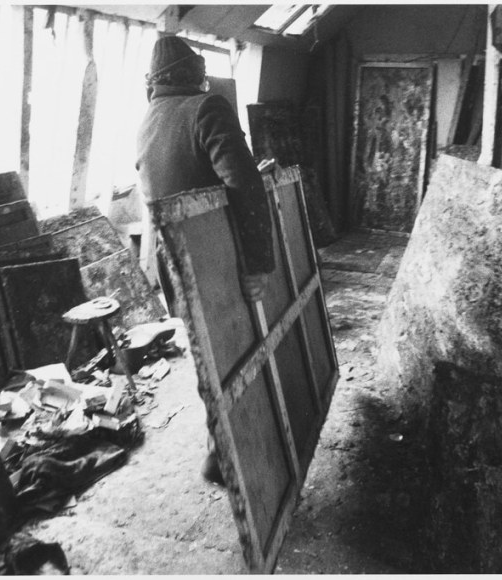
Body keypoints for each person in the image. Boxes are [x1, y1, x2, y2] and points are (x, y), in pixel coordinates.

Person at [136, 35, 275, 484]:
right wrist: (259, 264)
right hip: (215, 260)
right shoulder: (207, 108)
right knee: (235, 357)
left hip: (174, 265)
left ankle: (221, 450)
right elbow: (243, 185)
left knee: (207, 358)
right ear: (194, 73)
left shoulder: (147, 121)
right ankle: (233, 457)